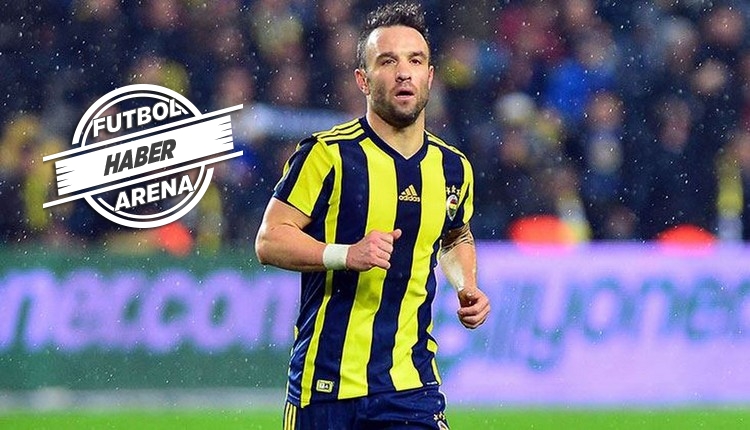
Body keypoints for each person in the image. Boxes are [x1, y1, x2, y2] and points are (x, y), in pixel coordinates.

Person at [255, 3, 490, 429]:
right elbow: (270, 239)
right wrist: (346, 255)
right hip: (325, 388)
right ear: (363, 80)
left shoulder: (453, 168)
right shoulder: (326, 154)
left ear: (430, 76)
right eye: (388, 61)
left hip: (410, 387)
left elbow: (455, 236)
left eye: (415, 61)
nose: (403, 73)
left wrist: (466, 284)